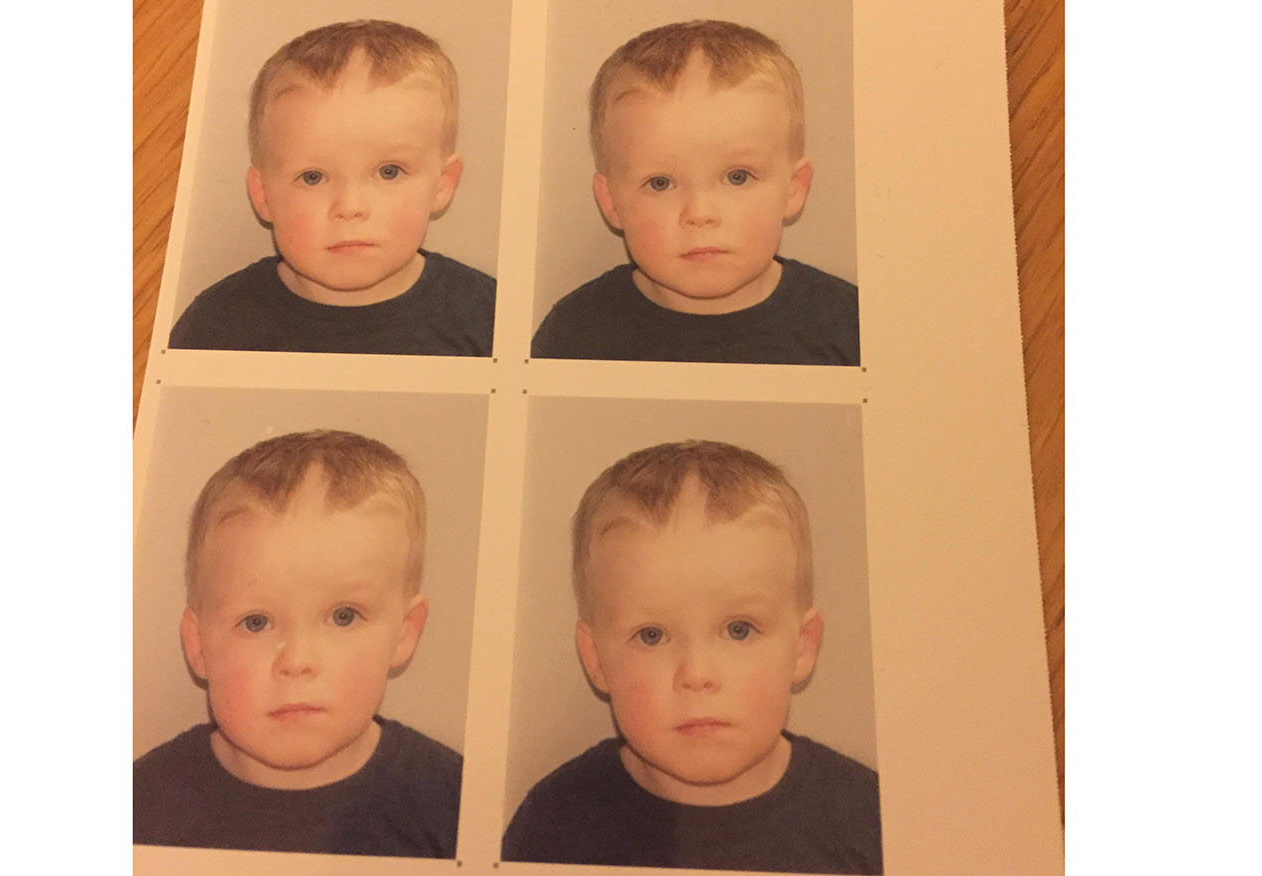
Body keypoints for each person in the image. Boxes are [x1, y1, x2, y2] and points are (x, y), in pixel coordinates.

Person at [503, 440, 881, 872]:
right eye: (652, 635)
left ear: (802, 647)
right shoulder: (554, 823)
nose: (697, 674)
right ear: (596, 659)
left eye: (739, 630)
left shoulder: (869, 820)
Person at [134, 430, 461, 857]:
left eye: (344, 616)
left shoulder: (451, 802)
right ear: (198, 645)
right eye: (256, 622)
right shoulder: (142, 804)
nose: (298, 661)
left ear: (404, 633)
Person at [531, 21, 859, 365]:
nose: (700, 213)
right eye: (660, 183)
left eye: (737, 177)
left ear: (794, 189)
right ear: (610, 200)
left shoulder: (850, 327)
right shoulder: (575, 334)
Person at [170, 21, 495, 355]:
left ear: (442, 185)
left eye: (388, 171)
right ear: (263, 195)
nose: (350, 206)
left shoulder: (489, 320)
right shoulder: (216, 327)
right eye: (313, 177)